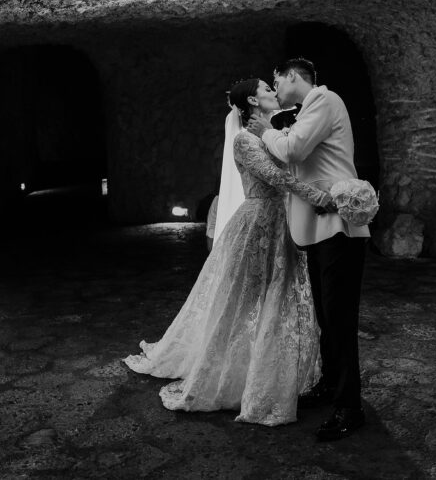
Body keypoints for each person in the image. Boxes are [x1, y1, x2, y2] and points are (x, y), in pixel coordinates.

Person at [124, 79, 333, 426]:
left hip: (284, 223)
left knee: (279, 297)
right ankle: (229, 374)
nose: (273, 91)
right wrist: (319, 197)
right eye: (267, 88)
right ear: (252, 99)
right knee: (244, 299)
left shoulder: (272, 134)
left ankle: (271, 372)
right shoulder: (244, 140)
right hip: (257, 224)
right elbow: (276, 177)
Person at [247, 58, 370, 442]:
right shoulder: (305, 111)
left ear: (292, 76)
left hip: (338, 228)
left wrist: (267, 131)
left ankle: (350, 407)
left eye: (276, 81)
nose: (275, 89)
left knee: (340, 320)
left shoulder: (324, 100)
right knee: (325, 318)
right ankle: (331, 385)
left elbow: (294, 150)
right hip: (318, 229)